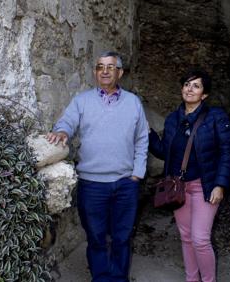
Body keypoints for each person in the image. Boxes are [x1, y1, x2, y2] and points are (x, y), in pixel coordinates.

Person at [46, 51, 149, 282]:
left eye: (110, 67)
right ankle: (102, 278)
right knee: (96, 237)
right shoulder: (82, 101)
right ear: (95, 72)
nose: (104, 71)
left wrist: (137, 173)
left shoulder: (133, 102)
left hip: (125, 183)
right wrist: (62, 131)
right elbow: (67, 121)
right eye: (100, 67)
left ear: (119, 73)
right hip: (92, 185)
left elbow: (142, 139)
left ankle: (119, 278)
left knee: (122, 237)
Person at [149, 69, 230, 282]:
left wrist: (220, 185)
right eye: (187, 84)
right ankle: (191, 279)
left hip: (205, 185)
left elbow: (227, 152)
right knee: (186, 238)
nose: (190, 89)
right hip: (179, 187)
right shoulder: (172, 119)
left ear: (204, 94)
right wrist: (148, 133)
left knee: (200, 239)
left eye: (196, 86)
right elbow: (163, 151)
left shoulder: (216, 117)